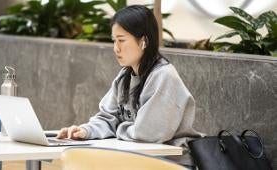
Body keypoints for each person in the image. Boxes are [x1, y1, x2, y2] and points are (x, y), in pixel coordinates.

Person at [57, 5, 202, 168]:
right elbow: (108, 117)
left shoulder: (164, 76)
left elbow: (147, 133)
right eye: (114, 40)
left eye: (122, 40)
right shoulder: (124, 77)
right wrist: (86, 131)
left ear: (144, 41)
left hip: (173, 164)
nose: (116, 48)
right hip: (142, 160)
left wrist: (118, 127)